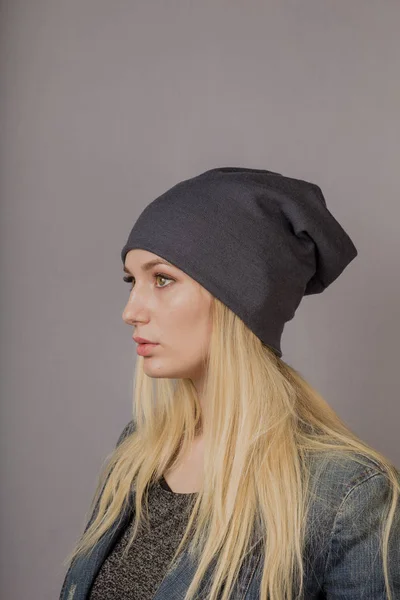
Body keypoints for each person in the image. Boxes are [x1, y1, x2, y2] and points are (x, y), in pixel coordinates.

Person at [59, 167, 400, 600]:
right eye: (132, 280)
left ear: (239, 300)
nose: (131, 310)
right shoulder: (138, 453)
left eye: (162, 279)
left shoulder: (348, 496)